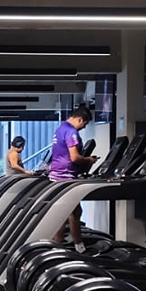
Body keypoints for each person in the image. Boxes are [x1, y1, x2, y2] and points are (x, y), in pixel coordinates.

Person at [49, 105, 98, 253]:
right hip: (65, 176)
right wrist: (88, 160)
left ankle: (59, 245)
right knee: (74, 213)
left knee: (63, 213)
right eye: (85, 124)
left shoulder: (60, 129)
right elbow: (75, 157)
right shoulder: (71, 132)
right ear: (80, 119)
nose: (84, 127)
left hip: (57, 175)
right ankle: (78, 247)